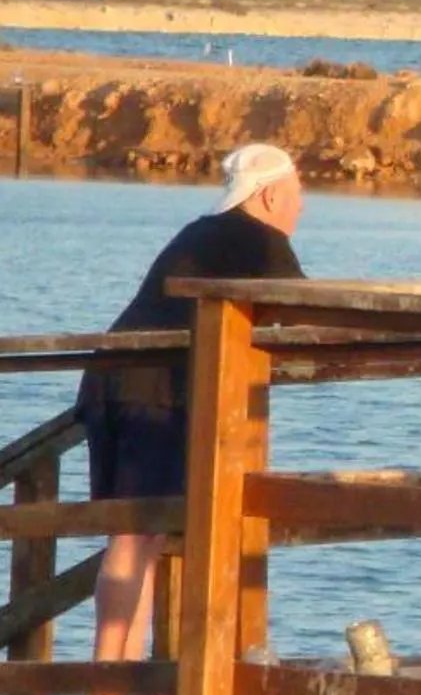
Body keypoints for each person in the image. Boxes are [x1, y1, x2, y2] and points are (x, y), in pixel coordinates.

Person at [77, 144, 306, 668]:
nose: (300, 208)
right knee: (136, 535)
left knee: (137, 534)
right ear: (269, 194)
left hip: (113, 380)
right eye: (297, 195)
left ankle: (117, 673)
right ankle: (109, 678)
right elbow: (308, 313)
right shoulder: (259, 238)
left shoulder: (204, 231)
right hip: (151, 390)